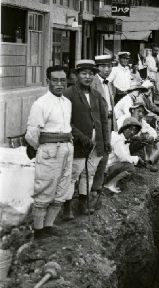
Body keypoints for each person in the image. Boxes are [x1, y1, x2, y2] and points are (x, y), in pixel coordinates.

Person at [25, 66, 73, 240]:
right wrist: (43, 149)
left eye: (63, 80)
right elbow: (31, 134)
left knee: (62, 189)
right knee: (45, 188)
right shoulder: (40, 104)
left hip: (67, 148)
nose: (59, 84)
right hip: (50, 150)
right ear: (48, 81)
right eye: (55, 80)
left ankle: (49, 225)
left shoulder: (67, 103)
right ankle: (38, 230)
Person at [63, 60, 110, 218]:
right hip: (78, 142)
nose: (88, 77)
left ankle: (83, 204)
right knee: (73, 173)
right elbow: (66, 121)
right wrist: (81, 137)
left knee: (89, 173)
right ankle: (66, 208)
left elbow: (103, 120)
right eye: (84, 73)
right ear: (77, 75)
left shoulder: (96, 95)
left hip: (96, 142)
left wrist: (106, 141)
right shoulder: (69, 94)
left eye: (91, 74)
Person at [90, 55, 118, 204]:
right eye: (103, 66)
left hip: (108, 123)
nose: (107, 69)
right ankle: (89, 190)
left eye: (109, 66)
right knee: (95, 156)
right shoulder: (93, 83)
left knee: (106, 154)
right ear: (98, 68)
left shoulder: (109, 83)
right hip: (98, 124)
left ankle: (97, 186)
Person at [105, 117, 144, 193]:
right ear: (124, 128)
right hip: (105, 169)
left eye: (135, 130)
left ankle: (112, 183)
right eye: (130, 129)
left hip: (110, 167)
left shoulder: (125, 140)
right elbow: (123, 158)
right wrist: (137, 159)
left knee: (129, 165)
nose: (132, 132)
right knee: (129, 167)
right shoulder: (118, 139)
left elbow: (126, 155)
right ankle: (109, 184)